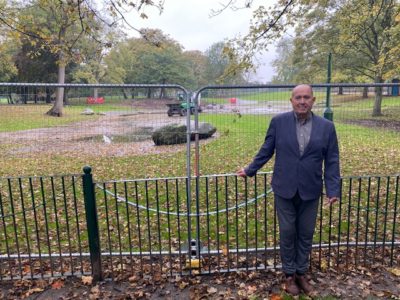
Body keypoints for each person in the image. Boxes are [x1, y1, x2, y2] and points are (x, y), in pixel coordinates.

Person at [237, 84, 340, 296]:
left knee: (305, 233)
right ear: (291, 100)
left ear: (313, 100)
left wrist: (333, 189)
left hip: (311, 190)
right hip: (284, 188)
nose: (302, 101)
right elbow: (266, 150)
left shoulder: (327, 127)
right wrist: (249, 170)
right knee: (287, 232)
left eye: (306, 97)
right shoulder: (278, 122)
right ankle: (289, 275)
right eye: (298, 97)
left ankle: (302, 273)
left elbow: (332, 160)